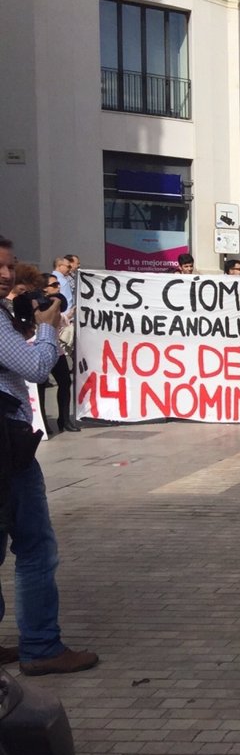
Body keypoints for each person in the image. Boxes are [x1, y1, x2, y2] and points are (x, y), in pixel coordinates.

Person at [0, 238, 98, 675]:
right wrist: (45, 327)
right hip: (7, 445)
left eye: (10, 265)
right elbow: (37, 370)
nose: (6, 274)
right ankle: (41, 647)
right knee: (36, 547)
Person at [35, 274, 76, 434]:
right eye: (54, 285)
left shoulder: (57, 303)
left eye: (58, 284)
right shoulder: (36, 304)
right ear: (44, 288)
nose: (58, 287)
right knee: (40, 387)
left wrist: (67, 315)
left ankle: (64, 420)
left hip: (56, 350)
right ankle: (42, 421)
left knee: (65, 382)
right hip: (38, 349)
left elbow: (59, 321)